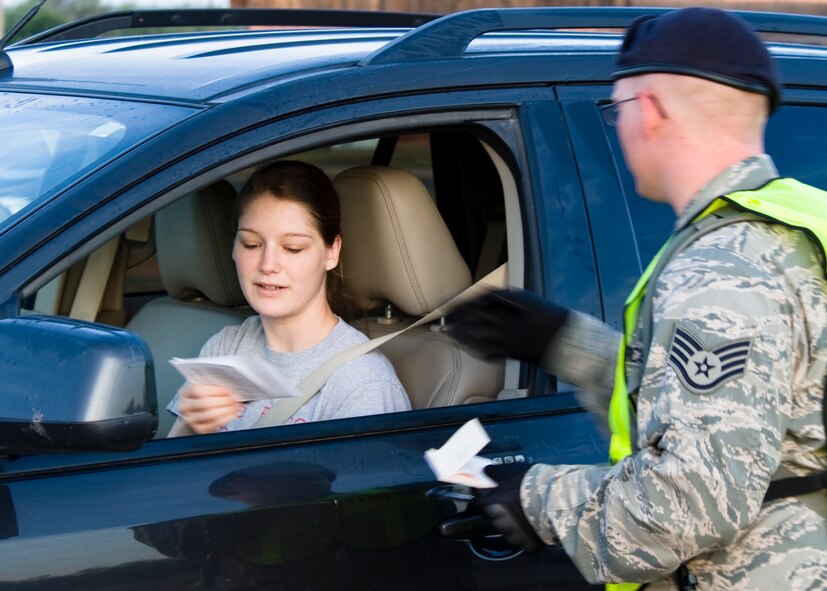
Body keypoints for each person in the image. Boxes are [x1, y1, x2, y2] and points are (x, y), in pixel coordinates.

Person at [449, 8, 826, 590]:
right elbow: (759, 407)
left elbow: (688, 502)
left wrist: (535, 498)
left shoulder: (721, 269)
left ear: (649, 112)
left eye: (620, 108)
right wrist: (565, 344)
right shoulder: (783, 230)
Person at [168, 160, 410, 436]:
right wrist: (189, 424)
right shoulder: (226, 347)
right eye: (252, 244)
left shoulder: (363, 383)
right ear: (234, 247)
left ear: (331, 252)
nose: (268, 264)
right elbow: (168, 474)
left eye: (293, 248)